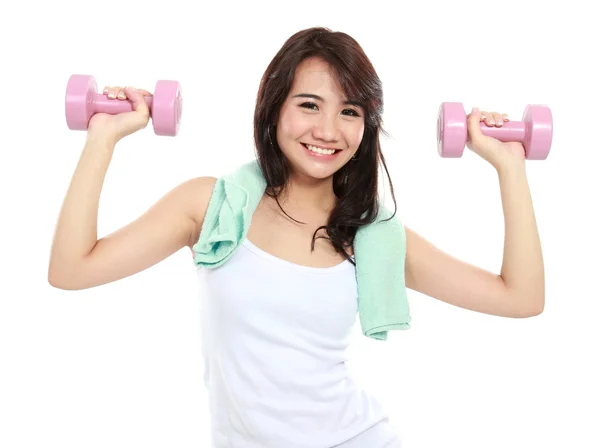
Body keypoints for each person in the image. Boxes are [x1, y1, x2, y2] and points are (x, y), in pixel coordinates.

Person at [48, 27, 545, 448]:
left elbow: (520, 298)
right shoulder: (212, 207)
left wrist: (510, 167)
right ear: (274, 109)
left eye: (350, 112)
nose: (329, 130)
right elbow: (72, 270)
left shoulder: (371, 236)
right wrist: (102, 139)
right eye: (310, 105)